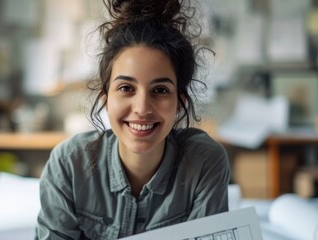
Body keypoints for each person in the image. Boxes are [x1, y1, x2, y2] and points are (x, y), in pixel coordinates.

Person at [36, 0, 230, 239]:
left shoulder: (205, 163)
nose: (142, 108)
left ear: (180, 101)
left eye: (160, 90)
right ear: (106, 97)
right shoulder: (69, 164)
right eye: (126, 88)